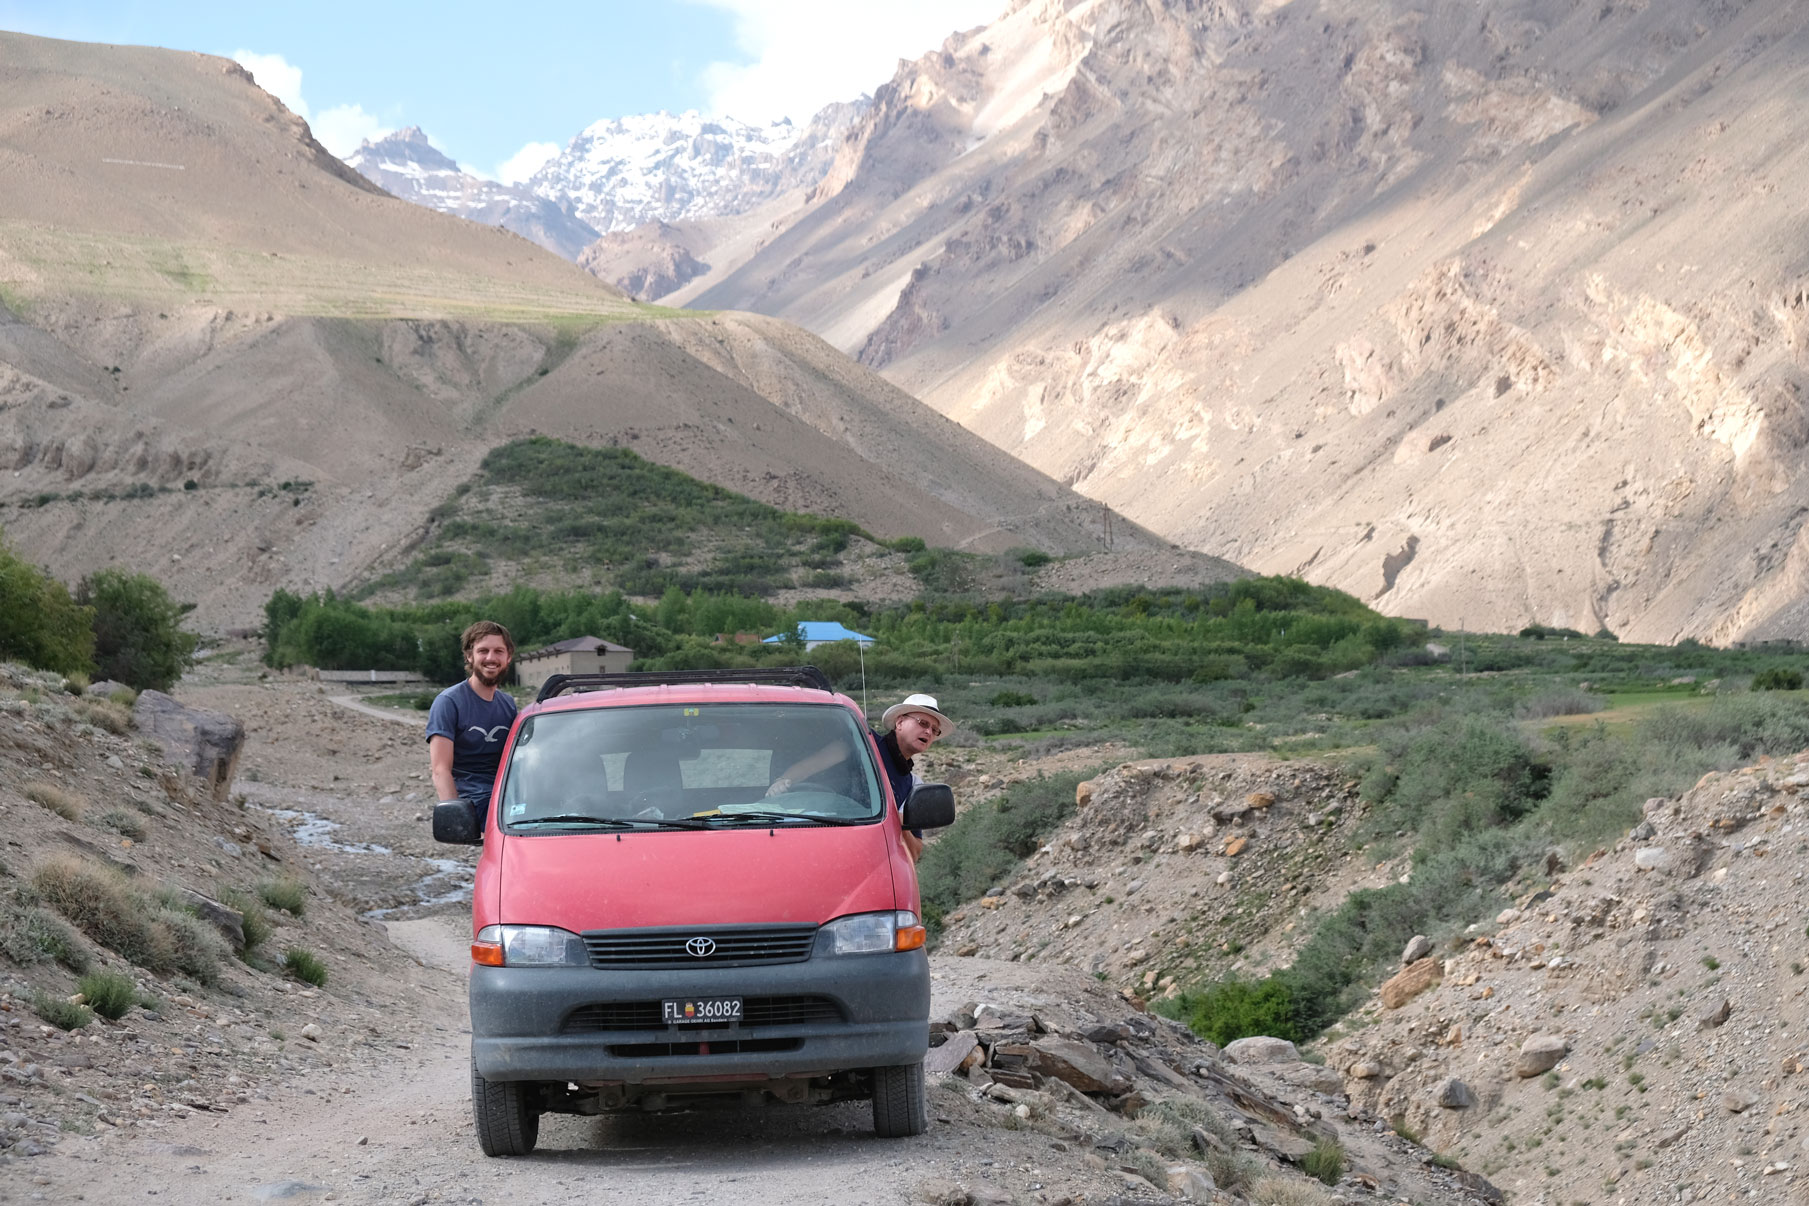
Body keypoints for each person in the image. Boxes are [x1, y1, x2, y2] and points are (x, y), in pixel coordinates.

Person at [768, 691, 953, 862]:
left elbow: (914, 854)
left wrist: (898, 820)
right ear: (899, 722)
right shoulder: (861, 743)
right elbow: (810, 766)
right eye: (923, 723)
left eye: (934, 730)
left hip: (863, 858)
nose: (929, 732)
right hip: (816, 839)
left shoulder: (914, 785)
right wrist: (782, 781)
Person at [427, 621, 517, 832]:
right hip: (475, 801)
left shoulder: (508, 704)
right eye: (483, 651)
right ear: (469, 656)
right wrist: (456, 820)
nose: (491, 658)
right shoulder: (448, 702)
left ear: (508, 657)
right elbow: (440, 770)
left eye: (498, 651)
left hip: (508, 795)